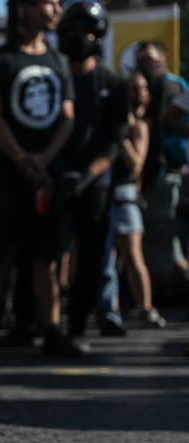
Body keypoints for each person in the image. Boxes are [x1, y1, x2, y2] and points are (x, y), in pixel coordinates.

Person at [0, 0, 81, 359]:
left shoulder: (58, 61)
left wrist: (43, 159)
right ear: (27, 8)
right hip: (3, 174)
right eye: (51, 2)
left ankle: (51, 329)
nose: (58, 8)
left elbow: (67, 116)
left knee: (46, 257)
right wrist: (20, 157)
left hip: (44, 176)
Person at [56, 0, 128, 351]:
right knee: (44, 253)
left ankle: (78, 324)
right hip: (52, 175)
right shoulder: (52, 76)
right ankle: (38, 320)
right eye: (73, 32)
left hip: (94, 182)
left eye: (86, 32)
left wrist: (87, 174)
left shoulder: (112, 83)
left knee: (92, 254)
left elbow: (116, 140)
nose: (79, 38)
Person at [104, 71, 165, 330]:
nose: (137, 92)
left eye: (142, 87)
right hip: (105, 190)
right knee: (106, 258)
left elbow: (135, 164)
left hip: (126, 193)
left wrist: (122, 133)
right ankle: (110, 311)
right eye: (132, 87)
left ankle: (146, 308)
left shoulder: (140, 127)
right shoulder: (109, 121)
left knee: (133, 256)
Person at [134, 40, 188, 279]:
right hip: (158, 169)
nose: (147, 66)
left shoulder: (169, 87)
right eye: (141, 62)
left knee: (161, 233)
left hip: (164, 170)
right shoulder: (156, 86)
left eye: (151, 60)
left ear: (163, 59)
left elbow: (163, 122)